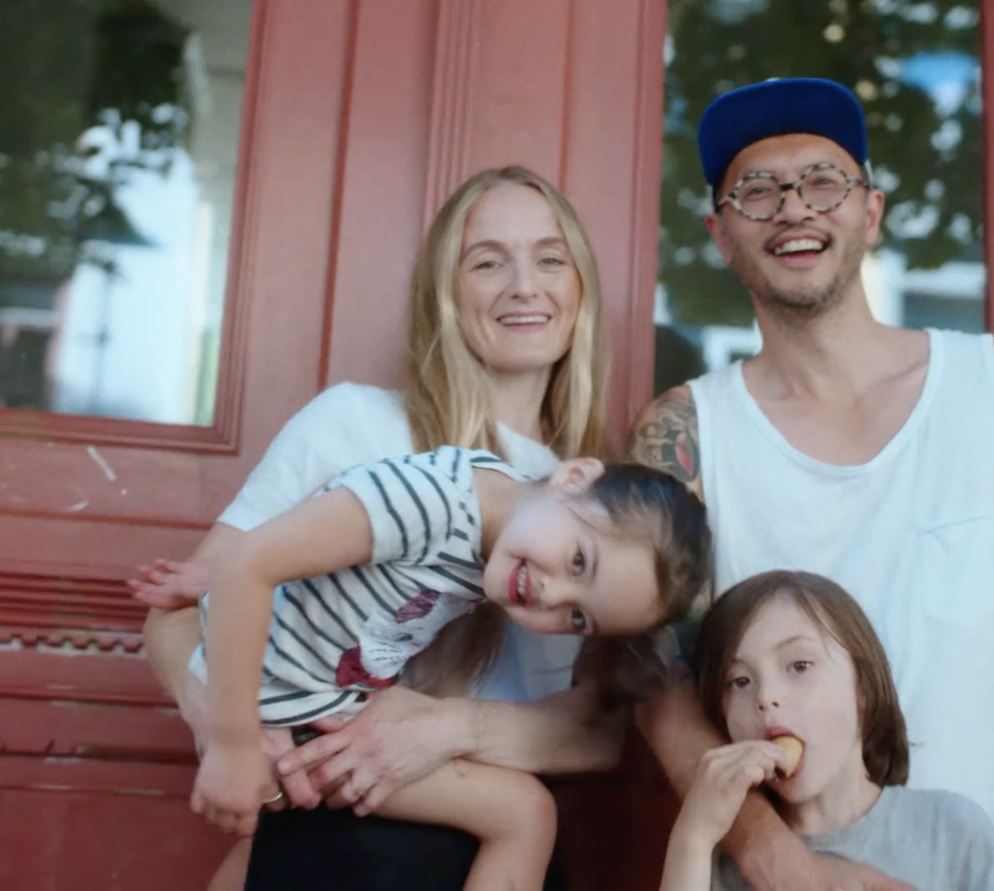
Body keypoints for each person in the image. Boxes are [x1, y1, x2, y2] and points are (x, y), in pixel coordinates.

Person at [628, 78, 994, 891]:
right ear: (720, 234)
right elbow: (659, 688)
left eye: (823, 181)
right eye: (756, 191)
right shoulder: (686, 433)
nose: (794, 207)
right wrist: (787, 865)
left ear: (870, 212)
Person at [135, 166, 628, 891]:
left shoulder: (596, 512)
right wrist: (229, 730)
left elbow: (600, 729)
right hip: (331, 833)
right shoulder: (358, 424)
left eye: (551, 259)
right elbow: (179, 612)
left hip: (483, 847)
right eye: (488, 261)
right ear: (446, 292)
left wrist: (444, 728)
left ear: (581, 286)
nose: (526, 285)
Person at [189, 445, 709, 891]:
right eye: (579, 562)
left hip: (312, 693)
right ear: (573, 477)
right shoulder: (432, 504)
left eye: (578, 617)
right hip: (273, 697)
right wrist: (232, 744)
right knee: (524, 813)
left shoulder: (494, 519)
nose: (552, 595)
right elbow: (247, 563)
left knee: (278, 834)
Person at [661, 570, 994, 891]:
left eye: (799, 666)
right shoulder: (716, 866)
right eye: (739, 681)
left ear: (863, 688)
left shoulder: (953, 833)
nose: (766, 697)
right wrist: (693, 836)